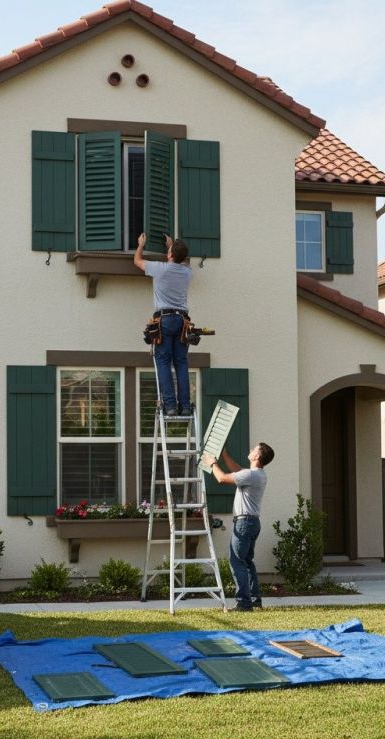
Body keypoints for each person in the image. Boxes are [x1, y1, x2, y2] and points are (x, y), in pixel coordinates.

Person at [202, 443, 275, 611]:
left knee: (237, 561)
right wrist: (225, 455)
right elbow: (238, 471)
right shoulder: (258, 474)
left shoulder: (250, 475)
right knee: (247, 561)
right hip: (252, 523)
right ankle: (255, 599)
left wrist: (212, 463)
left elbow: (221, 478)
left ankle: (244, 603)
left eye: (253, 450)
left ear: (257, 457)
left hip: (244, 524)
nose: (250, 451)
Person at [133, 232, 192, 416]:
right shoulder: (187, 272)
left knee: (163, 362)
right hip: (182, 320)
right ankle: (185, 406)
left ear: (170, 254)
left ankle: (170, 406)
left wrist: (141, 245)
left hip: (164, 319)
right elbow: (182, 261)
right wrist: (172, 247)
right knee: (181, 363)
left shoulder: (159, 269)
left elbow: (137, 261)